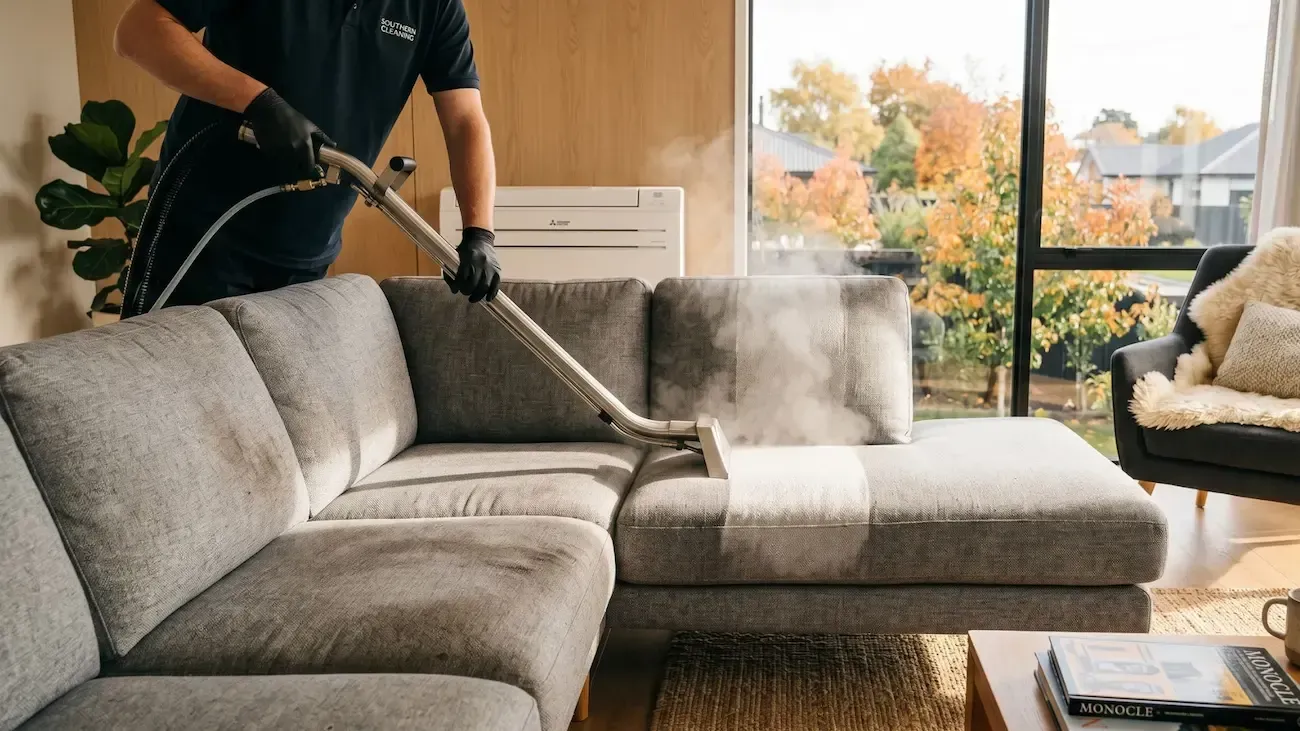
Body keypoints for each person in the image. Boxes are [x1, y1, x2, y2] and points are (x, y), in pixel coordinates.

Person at [113, 0, 501, 317]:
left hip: (308, 249)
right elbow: (138, 30)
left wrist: (479, 232)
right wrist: (259, 102)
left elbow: (465, 119)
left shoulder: (435, 7)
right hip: (203, 233)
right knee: (173, 398)